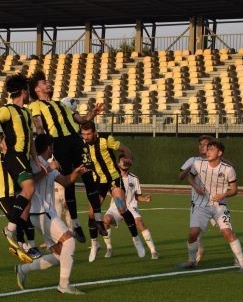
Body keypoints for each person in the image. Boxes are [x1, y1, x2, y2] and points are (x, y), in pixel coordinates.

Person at [28, 70, 106, 243]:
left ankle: (98, 219)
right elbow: (39, 126)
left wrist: (92, 114)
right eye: (43, 82)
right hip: (59, 144)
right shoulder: (35, 105)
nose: (47, 83)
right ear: (36, 89)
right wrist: (46, 146)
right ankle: (76, 225)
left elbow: (80, 119)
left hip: (76, 141)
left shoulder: (62, 104)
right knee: (69, 181)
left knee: (88, 178)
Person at [15, 134, 87, 295]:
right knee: (69, 241)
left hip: (45, 213)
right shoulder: (34, 163)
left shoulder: (48, 164)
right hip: (41, 212)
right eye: (52, 146)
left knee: (59, 254)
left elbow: (65, 181)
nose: (53, 149)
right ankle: (63, 285)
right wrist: (49, 168)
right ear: (49, 147)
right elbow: (30, 182)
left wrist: (76, 172)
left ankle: (23, 269)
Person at [0, 73, 43, 251]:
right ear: (23, 91)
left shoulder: (27, 112)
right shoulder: (7, 109)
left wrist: (36, 158)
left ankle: (22, 242)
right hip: (14, 155)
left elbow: (29, 137)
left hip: (25, 157)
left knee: (26, 201)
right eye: (27, 90)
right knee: (30, 188)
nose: (29, 93)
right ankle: (11, 229)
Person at [178, 139, 243, 272]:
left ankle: (242, 263)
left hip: (220, 205)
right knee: (193, 234)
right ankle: (191, 261)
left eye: (212, 149)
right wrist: (196, 186)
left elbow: (234, 190)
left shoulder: (228, 169)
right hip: (200, 205)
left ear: (220, 153)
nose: (208, 151)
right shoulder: (198, 164)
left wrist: (223, 195)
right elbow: (190, 177)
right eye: (208, 149)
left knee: (227, 233)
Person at [80, 121, 143, 262]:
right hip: (99, 182)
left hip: (114, 179)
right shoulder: (82, 145)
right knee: (91, 213)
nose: (86, 137)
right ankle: (94, 245)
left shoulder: (106, 139)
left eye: (88, 134)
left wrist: (129, 158)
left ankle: (136, 240)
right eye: (83, 134)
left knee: (121, 207)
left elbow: (125, 149)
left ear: (95, 132)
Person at [0, 136, 41, 263]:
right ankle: (21, 245)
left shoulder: (14, 158)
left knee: (21, 220)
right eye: (6, 141)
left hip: (14, 195)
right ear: (1, 144)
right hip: (2, 196)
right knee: (14, 219)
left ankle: (21, 246)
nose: (8, 143)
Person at [102, 155, 159, 259]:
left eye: (127, 161)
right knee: (105, 220)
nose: (125, 162)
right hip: (117, 206)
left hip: (130, 207)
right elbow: (107, 192)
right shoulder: (113, 178)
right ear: (118, 163)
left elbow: (137, 196)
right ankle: (109, 248)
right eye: (122, 161)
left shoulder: (134, 178)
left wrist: (144, 199)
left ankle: (153, 251)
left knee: (140, 222)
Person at [178, 135, 212, 264]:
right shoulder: (193, 160)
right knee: (195, 231)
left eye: (205, 144)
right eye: (200, 144)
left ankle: (239, 258)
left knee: (226, 230)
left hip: (216, 202)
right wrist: (191, 165)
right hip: (198, 203)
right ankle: (196, 254)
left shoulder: (216, 161)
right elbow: (180, 176)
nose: (202, 146)